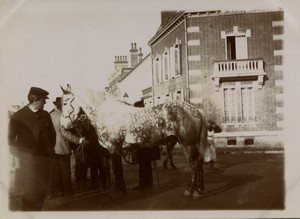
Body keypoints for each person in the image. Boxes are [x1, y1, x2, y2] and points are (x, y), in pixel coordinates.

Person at [8, 87, 56, 211]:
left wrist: (50, 149)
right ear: (36, 100)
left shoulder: (45, 115)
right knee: (29, 195)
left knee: (41, 193)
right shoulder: (18, 117)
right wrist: (23, 157)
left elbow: (52, 134)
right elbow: (9, 141)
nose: (45, 102)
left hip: (44, 161)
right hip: (28, 164)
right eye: (44, 100)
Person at [61, 109, 110, 190]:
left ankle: (105, 183)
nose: (83, 117)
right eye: (81, 116)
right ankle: (95, 183)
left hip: (100, 148)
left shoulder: (95, 122)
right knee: (93, 167)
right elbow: (82, 134)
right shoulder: (80, 124)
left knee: (102, 166)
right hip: (90, 149)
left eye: (84, 115)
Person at [48, 97, 73, 198]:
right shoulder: (64, 116)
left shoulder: (50, 115)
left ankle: (56, 191)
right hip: (63, 147)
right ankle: (68, 192)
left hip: (53, 147)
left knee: (55, 171)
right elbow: (67, 132)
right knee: (66, 171)